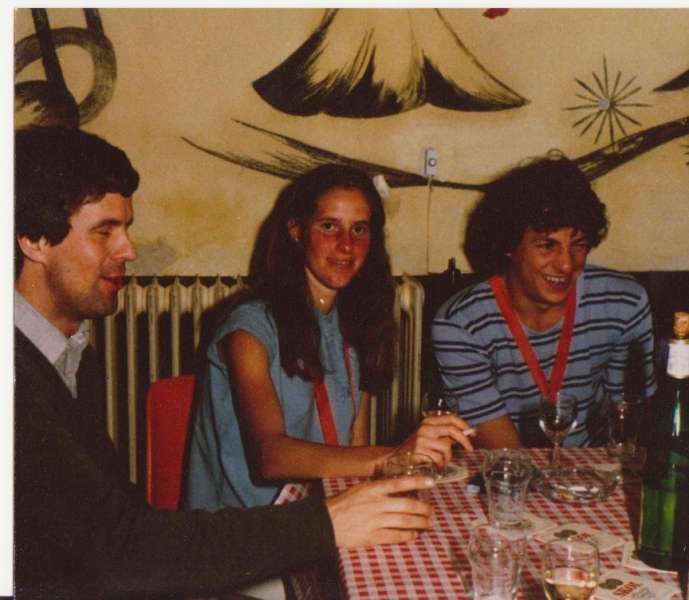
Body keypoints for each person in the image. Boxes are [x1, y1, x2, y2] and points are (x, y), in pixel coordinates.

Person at [14, 126, 438, 599]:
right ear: (34, 239)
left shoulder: (71, 354)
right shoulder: (19, 386)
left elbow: (110, 530)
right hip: (241, 553)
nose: (130, 250)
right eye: (104, 232)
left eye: (360, 229)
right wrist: (335, 515)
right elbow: (124, 546)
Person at [185, 164, 474, 511]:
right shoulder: (248, 328)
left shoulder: (355, 320)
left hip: (318, 512)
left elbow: (354, 449)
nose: (346, 245)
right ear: (296, 231)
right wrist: (396, 455)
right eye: (328, 226)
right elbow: (270, 456)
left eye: (359, 229)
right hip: (247, 526)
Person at [431, 153, 657, 449]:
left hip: (590, 469)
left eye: (578, 245)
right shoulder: (461, 325)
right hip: (506, 470)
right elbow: (505, 452)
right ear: (509, 246)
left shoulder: (624, 303)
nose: (566, 264)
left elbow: (629, 424)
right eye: (547, 245)